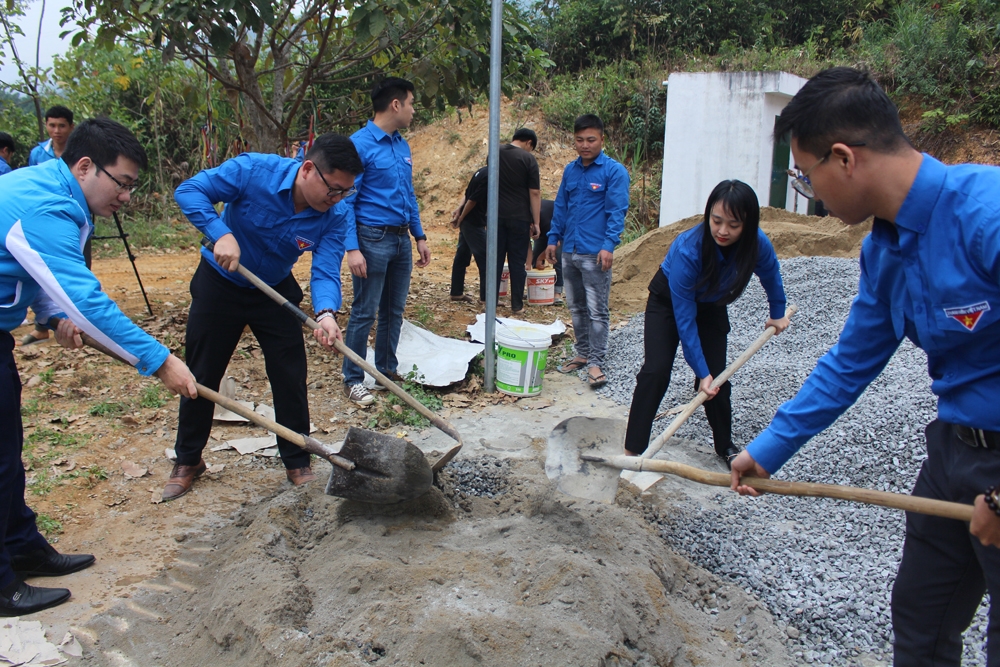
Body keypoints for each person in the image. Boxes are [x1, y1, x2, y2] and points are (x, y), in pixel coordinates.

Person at [728, 67, 1000, 665]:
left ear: (844, 158)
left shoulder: (987, 214)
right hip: (953, 451)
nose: (811, 194)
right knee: (921, 618)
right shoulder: (885, 249)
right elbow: (849, 363)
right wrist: (767, 448)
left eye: (806, 174)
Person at [0, 117, 197, 616]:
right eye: (124, 183)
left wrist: (52, 315)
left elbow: (34, 270)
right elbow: (89, 301)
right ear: (85, 167)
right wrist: (160, 361)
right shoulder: (46, 203)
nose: (127, 197)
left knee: (6, 452)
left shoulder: (58, 194)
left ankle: (22, 547)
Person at [169, 133, 362, 501]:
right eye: (333, 189)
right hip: (221, 283)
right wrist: (220, 233)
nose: (337, 199)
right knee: (202, 372)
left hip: (273, 288)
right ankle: (189, 459)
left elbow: (324, 268)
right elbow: (190, 190)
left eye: (345, 192)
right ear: (308, 170)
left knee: (290, 374)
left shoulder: (335, 214)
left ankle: (296, 458)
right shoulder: (253, 170)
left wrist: (325, 313)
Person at [623, 180, 789, 468]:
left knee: (718, 380)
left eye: (733, 225)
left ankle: (725, 445)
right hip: (668, 302)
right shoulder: (689, 249)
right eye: (716, 221)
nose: (723, 231)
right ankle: (633, 449)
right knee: (656, 370)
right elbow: (684, 320)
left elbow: (771, 273)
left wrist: (777, 312)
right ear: (708, 215)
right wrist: (700, 372)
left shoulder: (757, 244)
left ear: (748, 225)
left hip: (711, 305)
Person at [342, 77, 430, 407]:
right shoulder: (359, 145)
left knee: (393, 310)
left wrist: (419, 235)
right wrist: (352, 248)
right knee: (364, 311)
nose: (413, 110)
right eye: (411, 103)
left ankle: (385, 371)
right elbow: (345, 201)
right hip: (371, 238)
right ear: (396, 105)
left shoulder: (401, 144)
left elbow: (408, 194)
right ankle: (352, 379)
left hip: (400, 239)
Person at [545, 114, 629, 389]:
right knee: (576, 307)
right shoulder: (571, 170)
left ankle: (596, 362)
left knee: (596, 310)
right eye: (579, 140)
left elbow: (617, 212)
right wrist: (552, 239)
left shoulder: (614, 172)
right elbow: (561, 207)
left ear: (602, 140)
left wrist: (608, 245)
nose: (585, 145)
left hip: (595, 253)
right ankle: (582, 353)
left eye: (591, 140)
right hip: (570, 250)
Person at [493, 128, 541, 314]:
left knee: (495, 260)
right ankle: (517, 306)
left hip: (496, 215)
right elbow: (534, 192)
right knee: (517, 261)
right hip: (519, 217)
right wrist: (536, 222)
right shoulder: (528, 159)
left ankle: (491, 301)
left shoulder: (495, 153)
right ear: (529, 143)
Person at [449, 165, 488, 303]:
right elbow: (472, 200)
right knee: (486, 259)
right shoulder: (489, 176)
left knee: (462, 255)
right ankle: (486, 298)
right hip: (473, 223)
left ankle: (456, 292)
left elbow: (467, 194)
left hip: (468, 221)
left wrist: (459, 210)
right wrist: (461, 217)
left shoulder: (480, 171)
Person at [531, 199, 562, 304]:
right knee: (536, 255)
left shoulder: (544, 219)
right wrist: (528, 263)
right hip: (540, 229)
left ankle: (557, 292)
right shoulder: (524, 220)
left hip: (558, 228)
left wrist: (541, 257)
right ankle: (537, 289)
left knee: (555, 257)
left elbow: (556, 243)